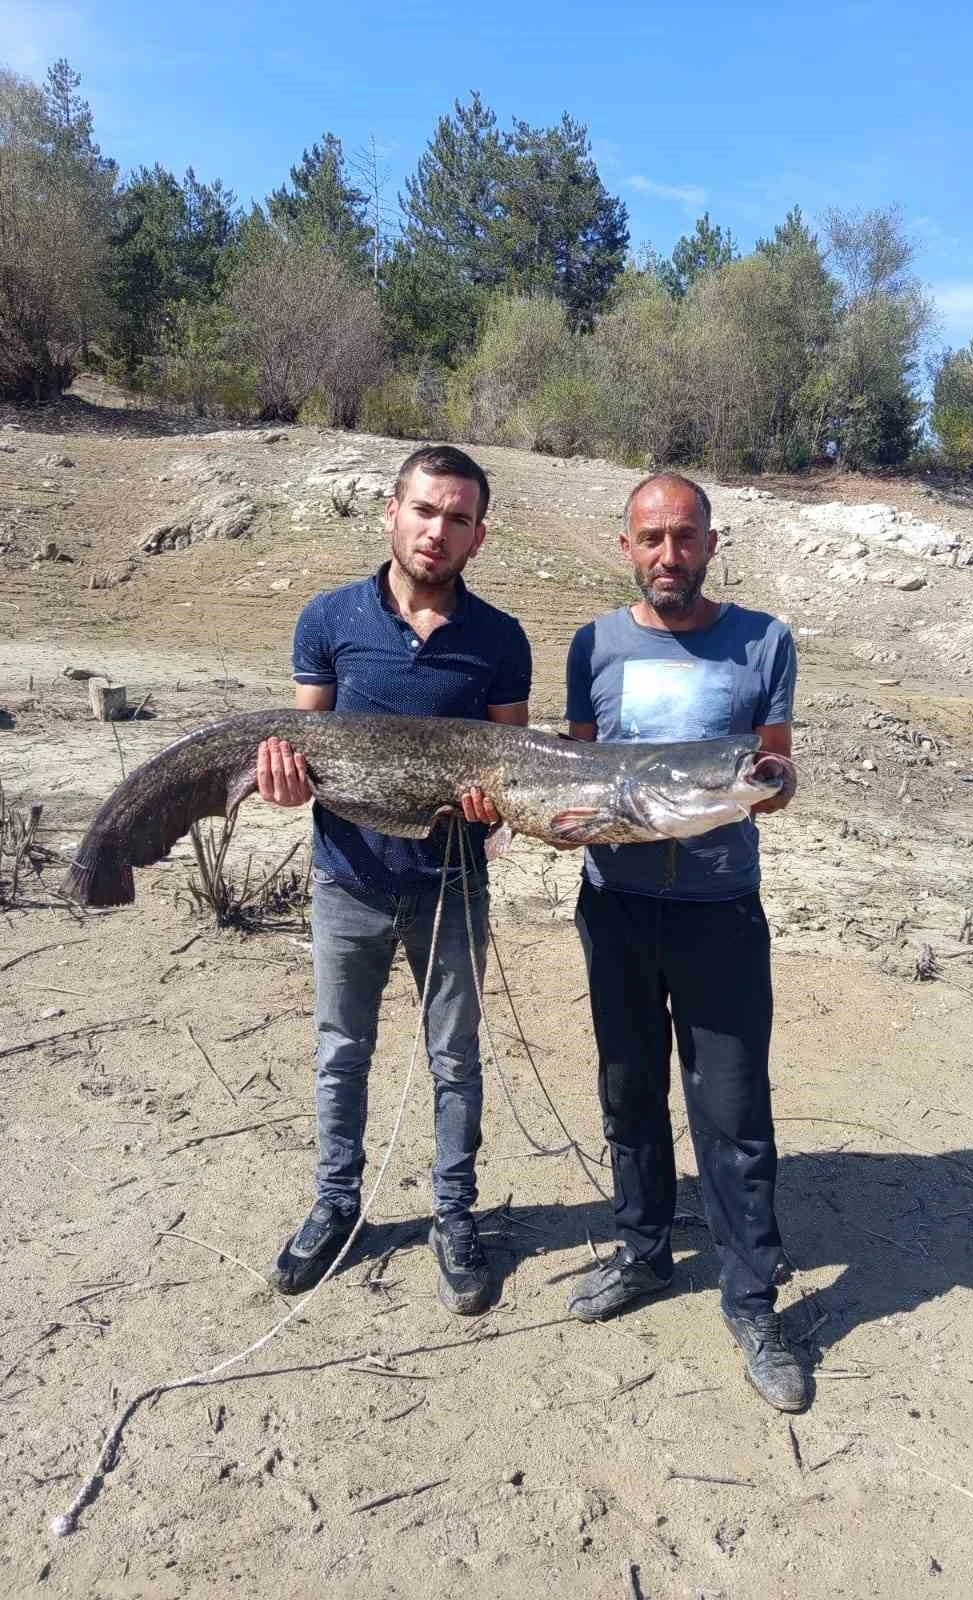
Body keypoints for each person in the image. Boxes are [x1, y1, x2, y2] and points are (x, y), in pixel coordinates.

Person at [257, 445, 531, 1315]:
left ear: (478, 536)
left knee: (455, 1058)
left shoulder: (501, 640)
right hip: (349, 878)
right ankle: (337, 1203)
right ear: (392, 511)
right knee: (342, 1052)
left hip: (453, 886)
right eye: (425, 510)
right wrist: (283, 782)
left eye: (458, 518)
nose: (436, 531)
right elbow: (303, 744)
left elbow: (514, 767)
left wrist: (492, 810)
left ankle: (454, 1214)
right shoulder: (328, 619)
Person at [561, 471, 807, 1412]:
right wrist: (564, 822)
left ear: (710, 543)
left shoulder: (764, 641)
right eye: (652, 538)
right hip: (615, 908)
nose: (670, 555)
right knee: (629, 1093)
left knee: (734, 1115)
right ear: (627, 545)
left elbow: (775, 772)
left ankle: (752, 1301)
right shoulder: (594, 644)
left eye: (686, 537)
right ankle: (644, 1251)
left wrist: (771, 785)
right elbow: (577, 771)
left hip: (720, 914)